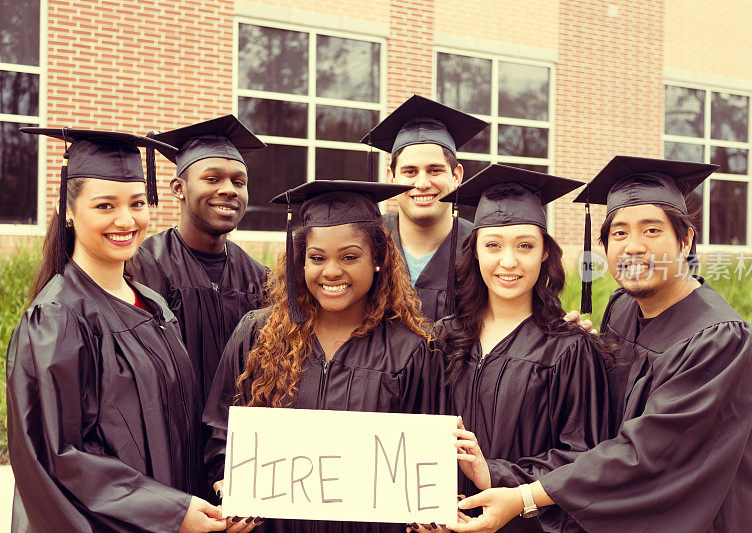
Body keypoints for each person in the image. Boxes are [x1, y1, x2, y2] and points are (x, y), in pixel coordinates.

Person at [449, 156, 752, 533]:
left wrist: (524, 496)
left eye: (651, 231)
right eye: (619, 233)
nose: (633, 246)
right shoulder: (622, 307)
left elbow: (645, 453)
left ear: (685, 240)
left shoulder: (722, 340)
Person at [7, 128, 226, 532]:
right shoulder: (58, 318)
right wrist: (171, 512)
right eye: (105, 205)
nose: (126, 220)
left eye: (137, 203)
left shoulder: (153, 304)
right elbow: (61, 457)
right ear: (69, 212)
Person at [203, 180, 443, 533]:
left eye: (349, 256)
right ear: (301, 262)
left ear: (378, 258)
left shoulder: (410, 350)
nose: (331, 271)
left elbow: (425, 460)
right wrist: (227, 484)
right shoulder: (258, 334)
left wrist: (425, 511)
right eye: (317, 258)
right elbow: (220, 430)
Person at [422, 165, 611, 533]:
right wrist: (423, 505)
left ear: (544, 254)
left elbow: (582, 457)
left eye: (525, 245)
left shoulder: (569, 349)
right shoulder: (442, 340)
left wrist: (493, 473)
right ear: (474, 251)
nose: (508, 261)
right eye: (493, 245)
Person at [126, 115, 267, 405]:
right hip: (169, 433)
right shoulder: (141, 267)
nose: (229, 189)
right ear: (178, 188)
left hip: (236, 438)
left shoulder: (259, 278)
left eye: (238, 182)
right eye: (212, 178)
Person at [361, 94, 489, 321]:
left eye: (435, 170)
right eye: (410, 172)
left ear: (457, 175)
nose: (421, 184)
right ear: (390, 177)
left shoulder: (482, 247)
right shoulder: (367, 241)